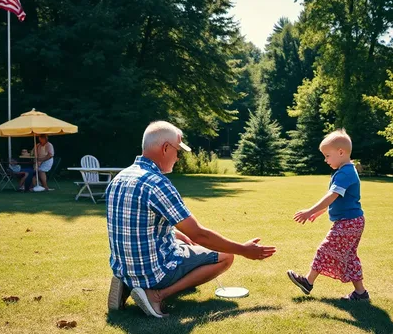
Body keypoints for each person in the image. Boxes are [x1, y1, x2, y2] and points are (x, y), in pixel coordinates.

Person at [106, 121, 277, 318]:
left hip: (124, 267)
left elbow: (135, 224)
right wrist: (244, 250)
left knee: (180, 240)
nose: (178, 157)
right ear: (165, 148)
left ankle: (127, 284)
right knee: (226, 256)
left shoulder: (119, 178)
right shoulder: (157, 183)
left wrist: (176, 234)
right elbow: (199, 234)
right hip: (154, 272)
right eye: (177, 150)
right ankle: (157, 294)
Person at [286, 129, 369, 301]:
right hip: (353, 221)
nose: (325, 160)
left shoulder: (345, 172)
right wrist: (319, 211)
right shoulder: (345, 171)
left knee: (325, 249)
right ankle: (361, 293)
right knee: (350, 257)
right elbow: (337, 199)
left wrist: (310, 210)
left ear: (340, 152)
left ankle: (308, 282)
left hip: (348, 223)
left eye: (327, 155)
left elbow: (332, 196)